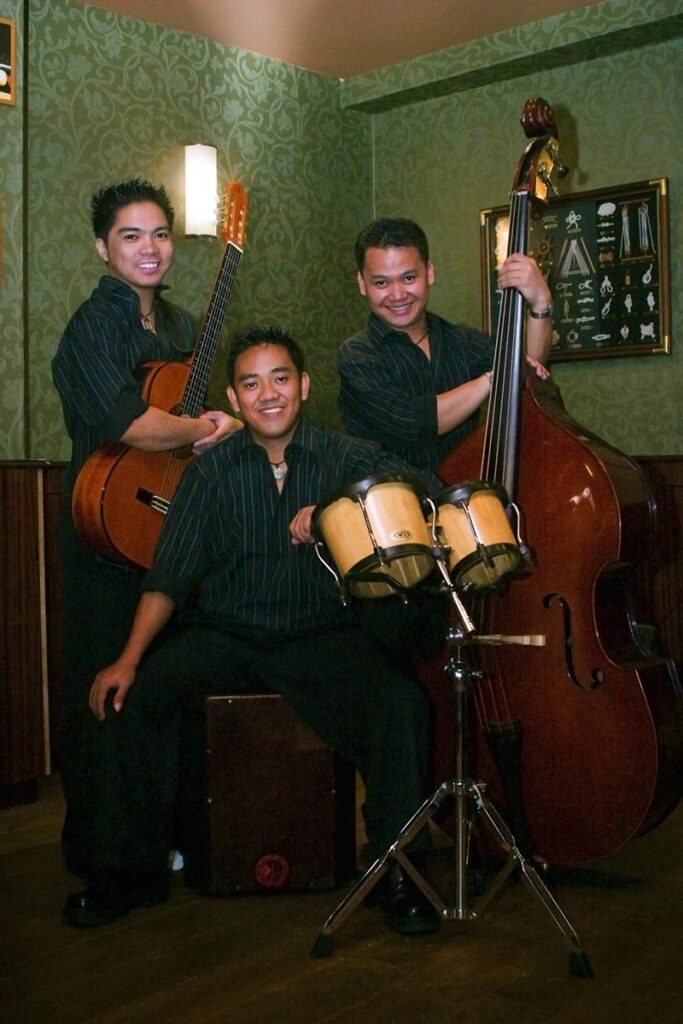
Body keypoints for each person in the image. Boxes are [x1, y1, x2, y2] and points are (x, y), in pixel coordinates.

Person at [62, 325, 442, 938]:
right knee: (128, 698)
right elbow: (169, 577)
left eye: (281, 378)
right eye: (251, 382)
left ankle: (395, 873)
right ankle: (126, 873)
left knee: (399, 705)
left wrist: (339, 511)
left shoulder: (347, 457)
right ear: (235, 400)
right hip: (227, 634)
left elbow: (420, 492)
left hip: (320, 634)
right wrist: (128, 659)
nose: (268, 393)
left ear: (304, 386)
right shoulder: (208, 475)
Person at [51, 179, 243, 883]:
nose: (149, 248)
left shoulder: (183, 325)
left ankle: (177, 843)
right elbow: (129, 422)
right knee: (107, 698)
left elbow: (194, 427)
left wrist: (217, 424)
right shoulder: (91, 326)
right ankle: (108, 864)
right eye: (131, 236)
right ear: (104, 247)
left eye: (160, 233)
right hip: (106, 534)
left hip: (171, 535)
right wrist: (202, 427)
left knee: (168, 692)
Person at [338, 217, 551, 472]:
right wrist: (492, 380)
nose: (397, 295)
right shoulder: (357, 355)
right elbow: (414, 422)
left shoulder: (462, 341)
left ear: (429, 273)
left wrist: (540, 303)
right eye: (381, 282)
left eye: (408, 278)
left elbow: (527, 373)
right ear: (363, 284)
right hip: (391, 507)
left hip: (469, 500)